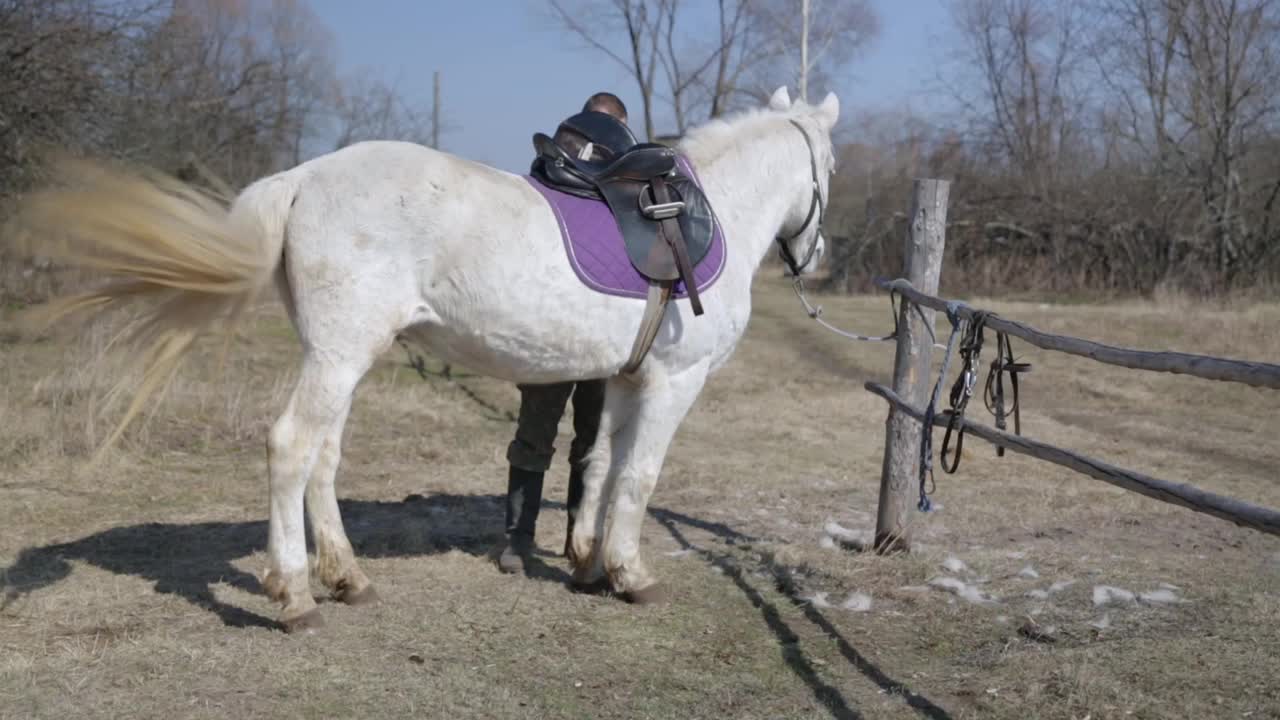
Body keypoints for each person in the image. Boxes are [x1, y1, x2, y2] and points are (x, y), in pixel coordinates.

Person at [496, 92, 629, 574]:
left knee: (587, 442)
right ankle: (520, 538)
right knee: (541, 434)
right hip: (557, 332)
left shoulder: (620, 196)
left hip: (596, 335)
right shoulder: (547, 182)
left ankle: (574, 534)